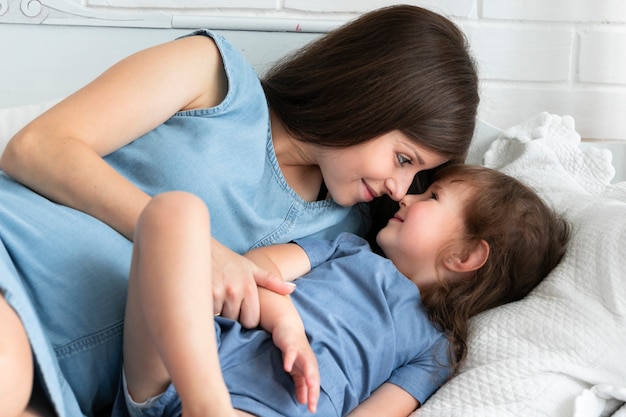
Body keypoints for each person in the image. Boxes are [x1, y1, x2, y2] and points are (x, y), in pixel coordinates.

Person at [0, 5, 480, 416]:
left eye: (416, 177)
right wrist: (205, 252)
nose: (400, 189)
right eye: (402, 158)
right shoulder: (212, 75)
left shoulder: (346, 236)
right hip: (17, 262)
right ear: (370, 97)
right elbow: (35, 147)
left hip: (84, 388)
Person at [113, 164, 570, 417]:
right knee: (175, 211)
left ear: (465, 256)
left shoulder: (436, 349)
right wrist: (284, 321)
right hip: (178, 372)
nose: (406, 196)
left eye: (431, 198)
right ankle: (205, 403)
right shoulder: (347, 248)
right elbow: (250, 269)